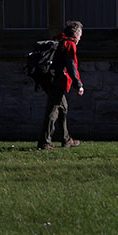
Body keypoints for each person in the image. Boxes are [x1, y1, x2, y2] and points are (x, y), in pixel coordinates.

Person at [38, 20, 84, 150]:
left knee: (63, 109)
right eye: (80, 35)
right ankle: (44, 143)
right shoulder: (69, 45)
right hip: (57, 81)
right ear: (76, 34)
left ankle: (66, 139)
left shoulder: (58, 41)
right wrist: (78, 84)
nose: (80, 38)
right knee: (53, 110)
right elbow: (71, 66)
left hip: (50, 79)